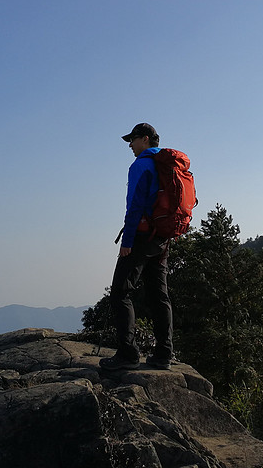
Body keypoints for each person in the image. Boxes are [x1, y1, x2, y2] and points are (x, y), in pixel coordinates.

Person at [99, 123, 174, 371]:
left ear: (145, 139)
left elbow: (134, 207)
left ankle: (128, 354)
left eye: (133, 139)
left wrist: (127, 242)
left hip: (142, 236)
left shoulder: (141, 165)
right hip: (162, 238)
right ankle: (164, 354)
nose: (130, 145)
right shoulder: (167, 164)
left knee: (120, 292)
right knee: (159, 295)